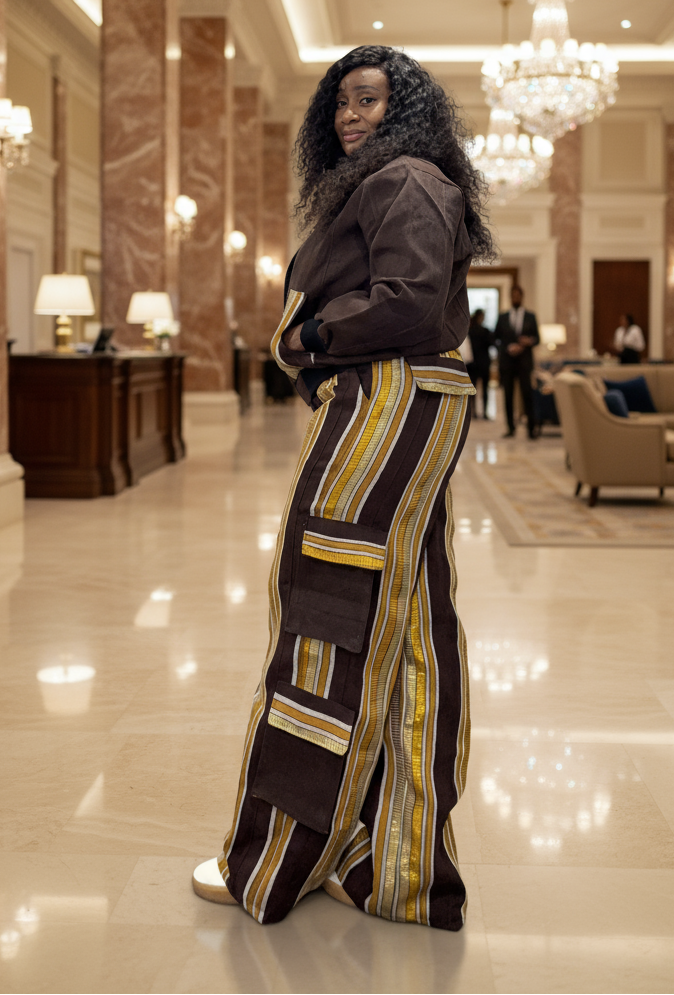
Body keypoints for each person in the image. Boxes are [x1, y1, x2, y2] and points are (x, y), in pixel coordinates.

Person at [191, 45, 494, 931]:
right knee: (405, 625)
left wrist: (307, 336)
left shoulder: (403, 177)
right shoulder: (410, 181)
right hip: (406, 404)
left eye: (369, 99)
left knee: (326, 617)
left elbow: (401, 301)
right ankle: (392, 862)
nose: (350, 116)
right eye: (340, 104)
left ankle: (280, 858)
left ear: (405, 112)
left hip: (383, 404)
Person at [494, 285, 540, 439]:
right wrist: (507, 347)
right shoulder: (503, 317)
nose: (515, 298)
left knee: (527, 394)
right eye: (513, 295)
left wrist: (528, 342)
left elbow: (537, 339)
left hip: (524, 362)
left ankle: (531, 428)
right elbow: (496, 338)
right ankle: (510, 428)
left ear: (522, 297)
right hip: (507, 362)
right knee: (508, 395)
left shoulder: (530, 316)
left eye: (518, 295)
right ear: (510, 297)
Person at [465, 308, 493, 419]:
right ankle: (484, 412)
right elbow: (492, 344)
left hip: (473, 364)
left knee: (474, 390)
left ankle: (475, 412)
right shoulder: (485, 331)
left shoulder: (469, 331)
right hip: (483, 364)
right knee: (484, 389)